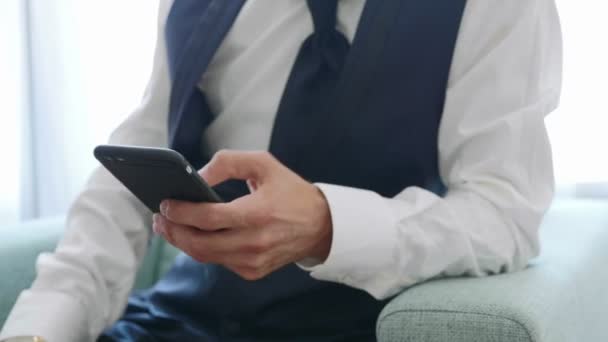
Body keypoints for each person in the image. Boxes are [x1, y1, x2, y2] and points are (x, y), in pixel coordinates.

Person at [0, 0, 562, 341]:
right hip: (179, 320)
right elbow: (125, 184)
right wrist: (41, 329)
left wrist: (328, 225)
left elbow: (504, 213)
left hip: (350, 328)